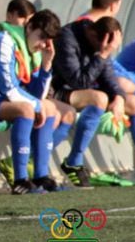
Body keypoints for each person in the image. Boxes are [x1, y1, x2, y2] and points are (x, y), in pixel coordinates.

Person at [0, 9, 64, 194]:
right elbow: (10, 90)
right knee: (26, 110)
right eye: (42, 37)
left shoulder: (33, 50)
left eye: (48, 40)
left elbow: (38, 95)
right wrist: (37, 106)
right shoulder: (4, 41)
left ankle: (41, 177)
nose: (44, 44)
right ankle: (20, 180)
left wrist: (46, 65)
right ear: (29, 27)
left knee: (50, 108)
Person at [51, 16, 130, 187]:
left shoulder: (100, 40)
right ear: (94, 35)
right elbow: (78, 82)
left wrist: (119, 98)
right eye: (107, 48)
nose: (108, 52)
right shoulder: (67, 39)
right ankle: (67, 162)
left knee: (116, 99)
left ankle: (73, 161)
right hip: (51, 90)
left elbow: (108, 75)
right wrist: (102, 54)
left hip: (70, 91)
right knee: (98, 98)